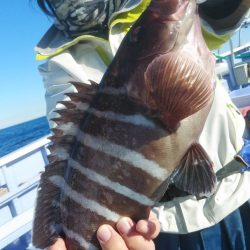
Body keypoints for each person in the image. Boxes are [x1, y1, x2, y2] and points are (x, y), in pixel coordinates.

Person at [34, 0, 250, 249]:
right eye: (138, 35)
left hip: (236, 191)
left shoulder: (150, 6)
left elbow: (219, 14)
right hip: (160, 229)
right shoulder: (59, 62)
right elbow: (72, 145)